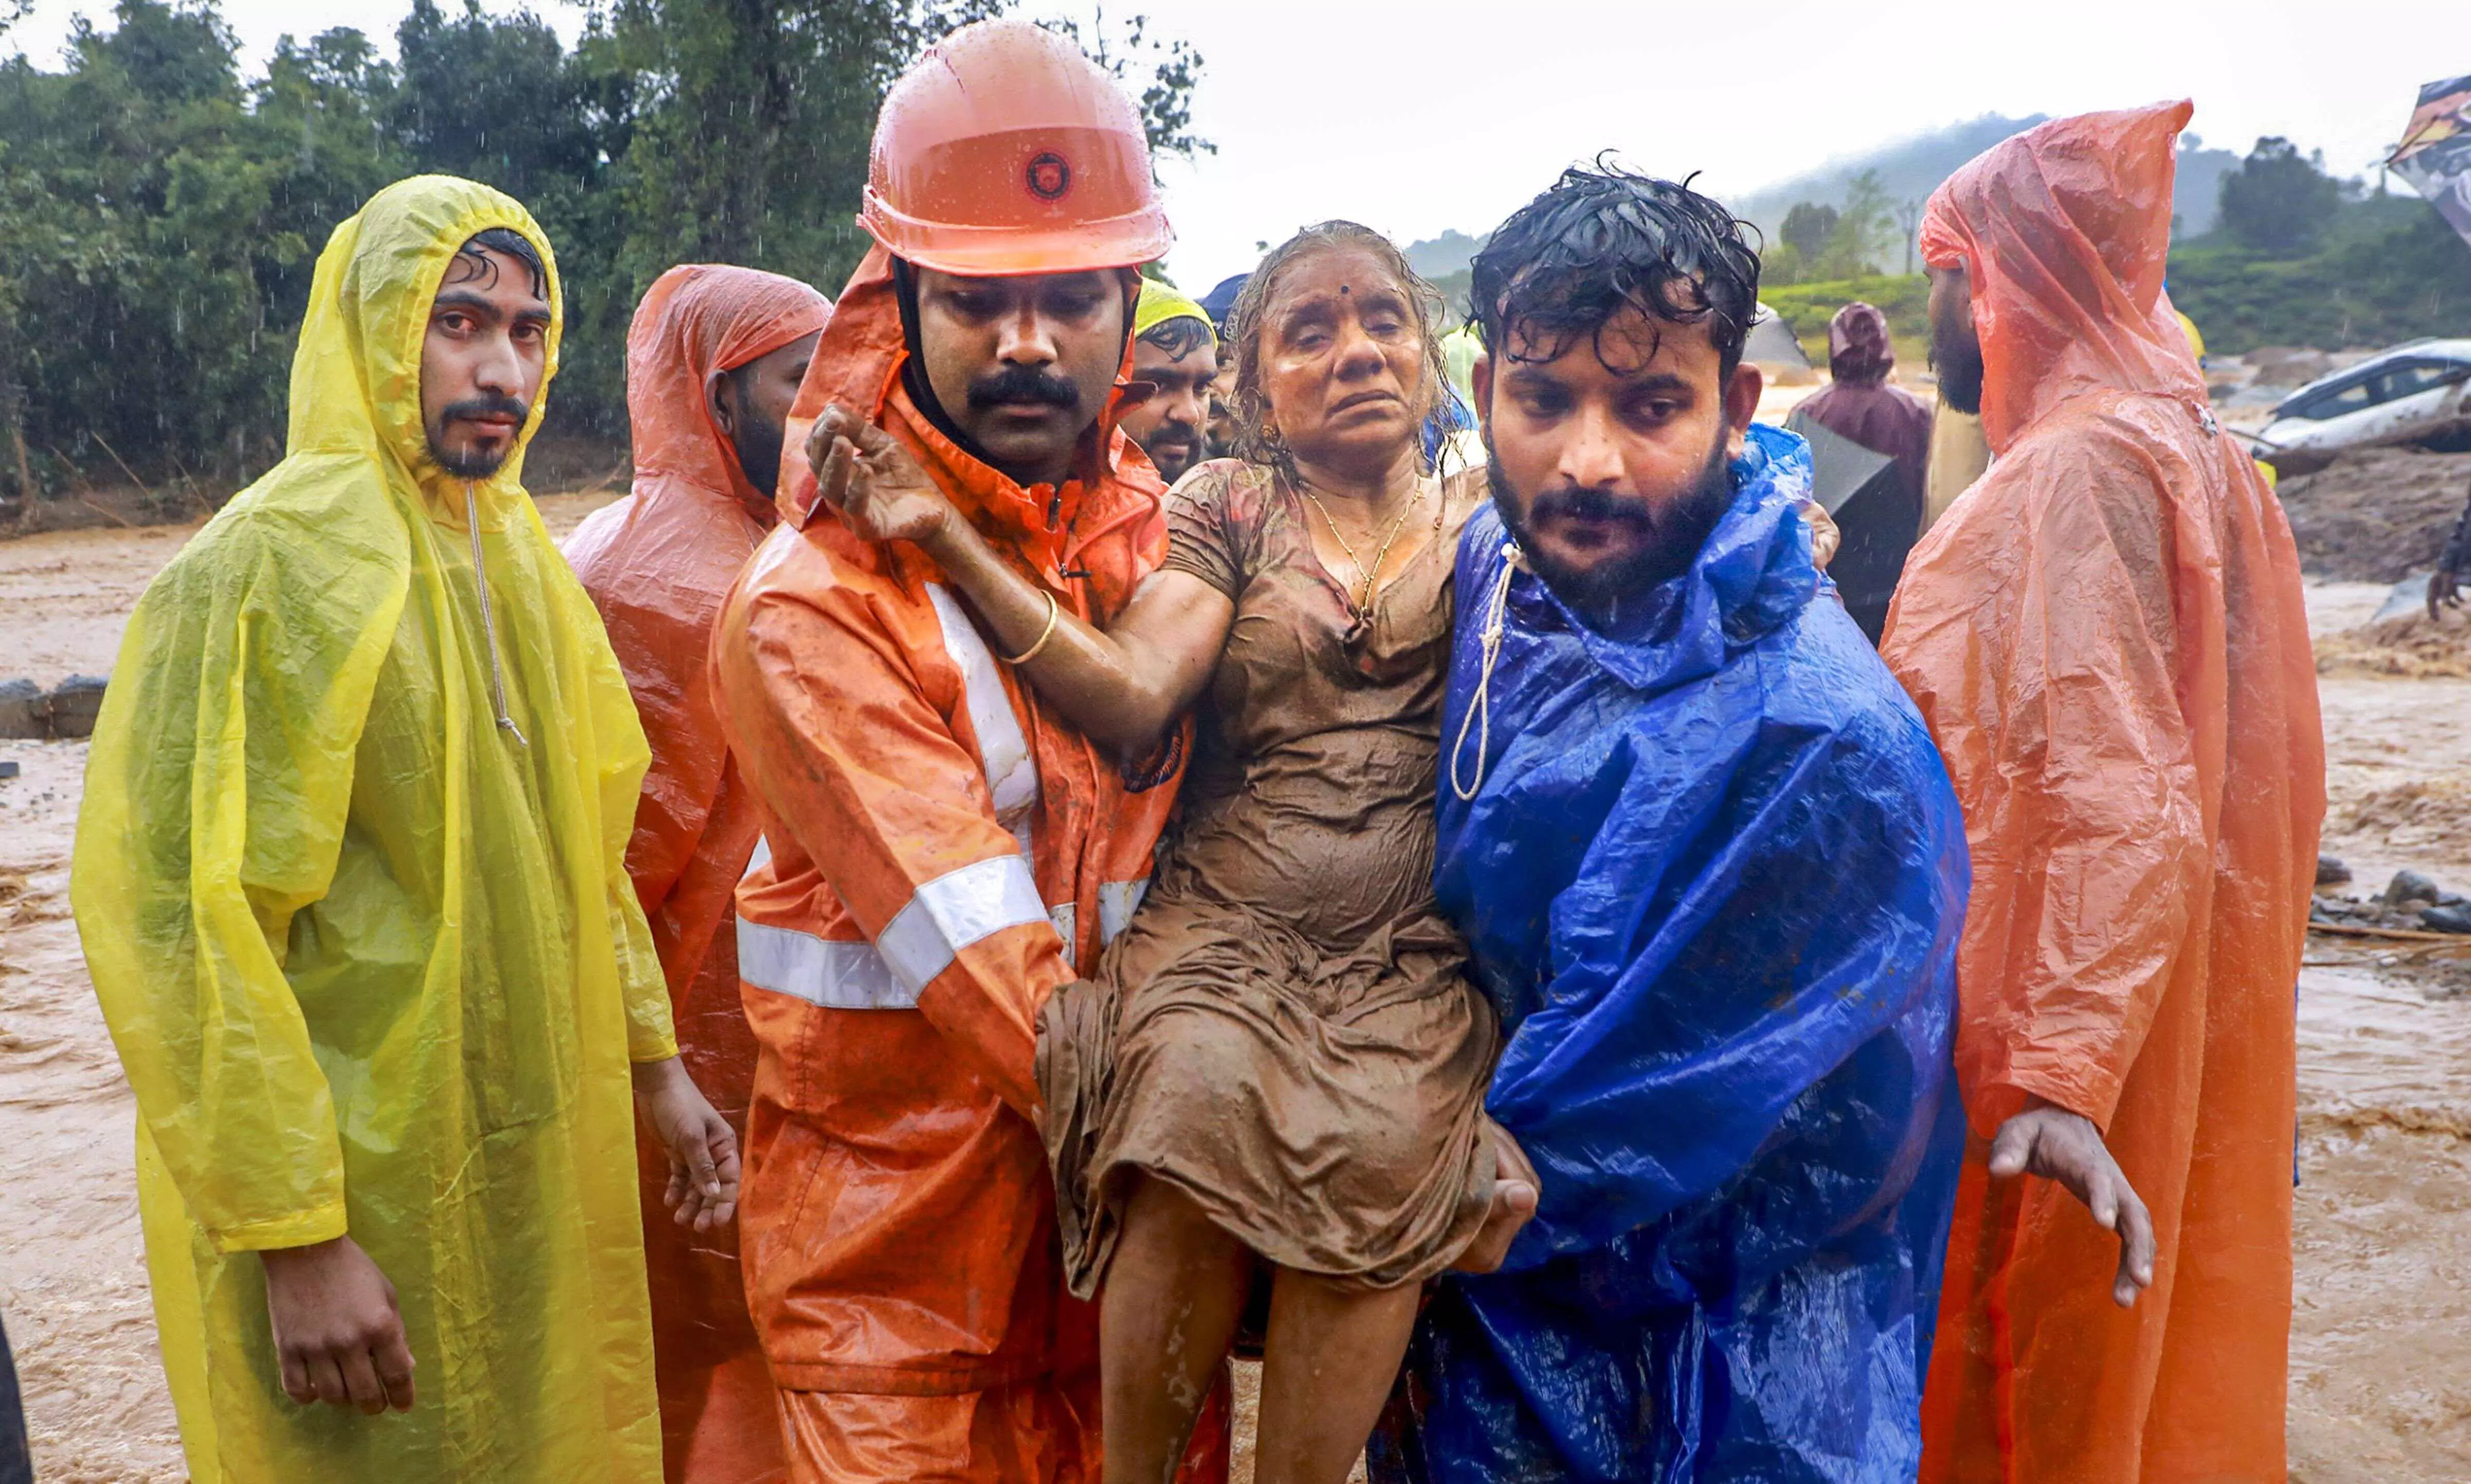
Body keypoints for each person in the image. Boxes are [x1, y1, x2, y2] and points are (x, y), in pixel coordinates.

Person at [817, 216, 1542, 1484]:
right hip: (1227, 930)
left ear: (1427, 356)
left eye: (1380, 318)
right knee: (1187, 1086)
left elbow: (1646, 554)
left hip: (1406, 952)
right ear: (1258, 381)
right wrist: (943, 536)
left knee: (1388, 1143)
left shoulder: (1490, 512)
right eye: (1306, 332)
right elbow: (1135, 689)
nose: (1353, 350)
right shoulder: (1230, 504)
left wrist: (1768, 530)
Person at [71, 176, 738, 1482]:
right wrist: (294, 1231)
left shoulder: (524, 560)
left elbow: (580, 854)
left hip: (530, 1161)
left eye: (530, 331)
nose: (501, 366)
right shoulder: (260, 568)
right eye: (459, 321)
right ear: (376, 330)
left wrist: (654, 1064)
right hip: (352, 1195)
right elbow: (181, 920)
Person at [1373, 166, 1971, 1484]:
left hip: (1730, 1371)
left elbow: (1572, 1149)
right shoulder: (1501, 567)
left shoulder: (1817, 745)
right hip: (1478, 1349)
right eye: (1542, 401)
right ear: (1483, 396)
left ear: (1734, 406)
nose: (1588, 461)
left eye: (1650, 406)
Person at [706, 22, 1227, 1481]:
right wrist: (1301, 1135)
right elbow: (1000, 983)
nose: (1026, 342)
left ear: (1130, 305)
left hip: (1126, 1283)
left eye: (1073, 297)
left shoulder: (1157, 539)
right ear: (900, 298)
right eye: (980, 300)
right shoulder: (817, 603)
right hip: (902, 1311)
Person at [1880, 102, 2326, 1484]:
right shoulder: (2204, 453)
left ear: (2000, 278)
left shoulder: (2075, 471)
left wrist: (2055, 1068)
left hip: (2054, 1041)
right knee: (2152, 1332)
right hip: (2185, 999)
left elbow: (2112, 781)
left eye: (1942, 270)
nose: (1931, 308)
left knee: (2034, 1354)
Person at [565, 263, 830, 1484]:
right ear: (716, 397)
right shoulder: (657, 577)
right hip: (686, 1044)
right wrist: (656, 1069)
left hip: (767, 1027)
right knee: (705, 1337)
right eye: (795, 378)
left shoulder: (779, 547)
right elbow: (608, 866)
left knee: (755, 1326)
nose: (827, 402)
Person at [1785, 301, 1930, 641]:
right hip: (1895, 574)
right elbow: (1931, 492)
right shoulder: (1917, 412)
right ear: (1884, 346)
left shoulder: (1806, 413)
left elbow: (1791, 497)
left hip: (1830, 575)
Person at [1118, 280, 1218, 484]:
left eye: (1201, 387)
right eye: (1158, 385)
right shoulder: (1042, 505)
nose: (1190, 415)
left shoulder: (1231, 507)